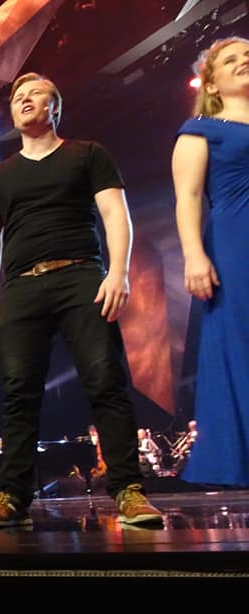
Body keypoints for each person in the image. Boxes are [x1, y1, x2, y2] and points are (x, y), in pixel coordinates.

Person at [0, 73, 163, 527]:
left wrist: (117, 272)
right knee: (19, 390)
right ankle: (12, 496)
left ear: (55, 107)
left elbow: (116, 214)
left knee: (105, 379)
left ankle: (129, 490)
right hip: (21, 285)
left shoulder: (88, 154)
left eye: (34, 93)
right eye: (17, 96)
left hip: (80, 275)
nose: (23, 99)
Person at [172, 36, 249, 488]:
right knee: (241, 341)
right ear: (213, 82)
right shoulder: (202, 128)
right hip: (236, 244)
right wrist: (193, 255)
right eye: (232, 60)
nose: (244, 64)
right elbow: (188, 197)